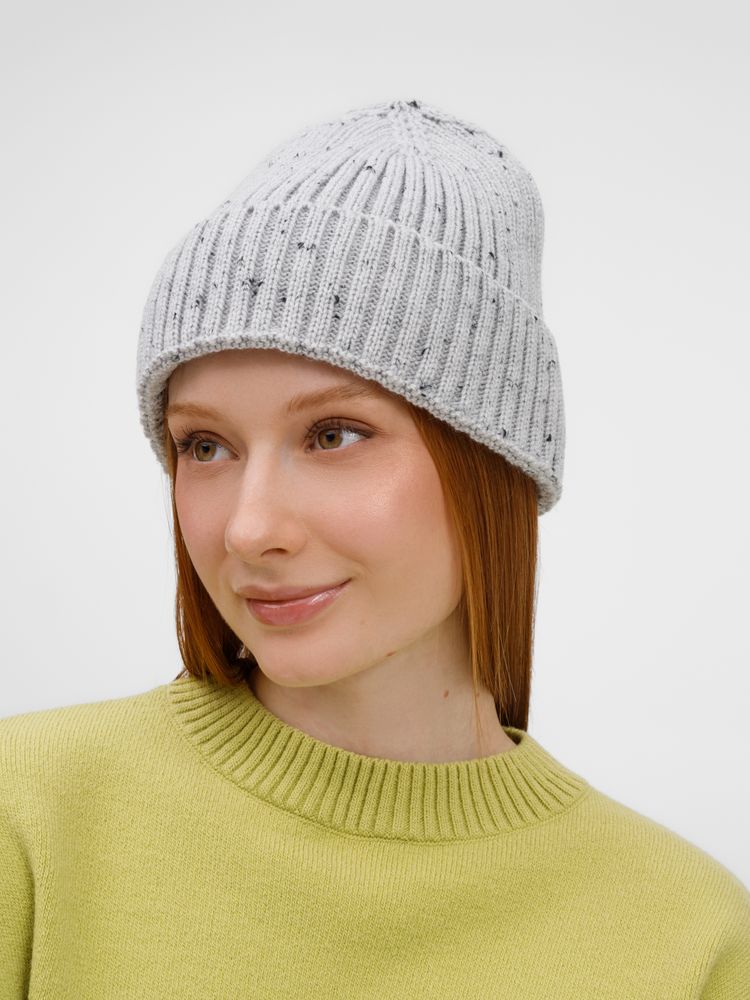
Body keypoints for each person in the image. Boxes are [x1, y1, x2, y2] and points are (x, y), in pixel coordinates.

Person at [1, 97, 748, 998]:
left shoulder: (686, 937)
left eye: (333, 435)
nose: (249, 528)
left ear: (493, 460)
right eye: (204, 446)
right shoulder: (29, 819)